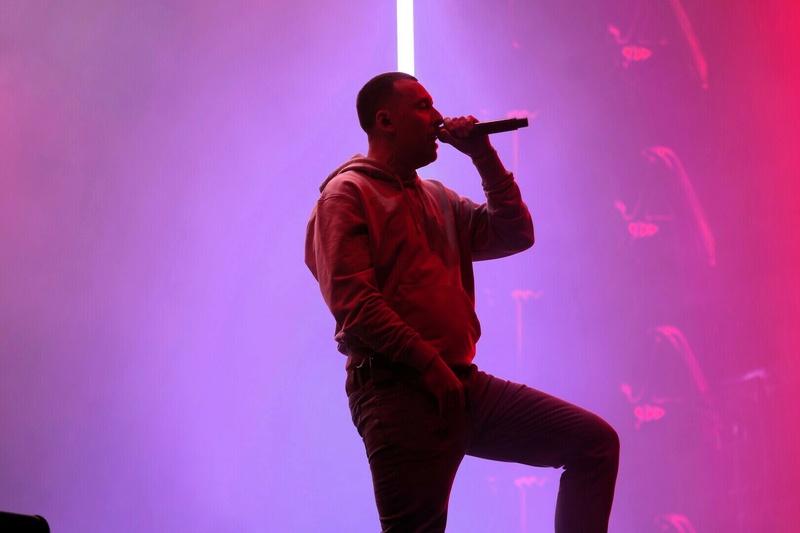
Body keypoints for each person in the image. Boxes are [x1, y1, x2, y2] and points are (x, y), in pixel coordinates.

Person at [304, 72, 619, 533]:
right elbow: (355, 304)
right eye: (423, 106)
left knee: (593, 444)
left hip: (459, 383)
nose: (437, 117)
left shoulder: (436, 197)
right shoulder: (346, 195)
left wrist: (483, 156)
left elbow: (515, 233)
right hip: (398, 391)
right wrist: (429, 364)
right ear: (385, 121)